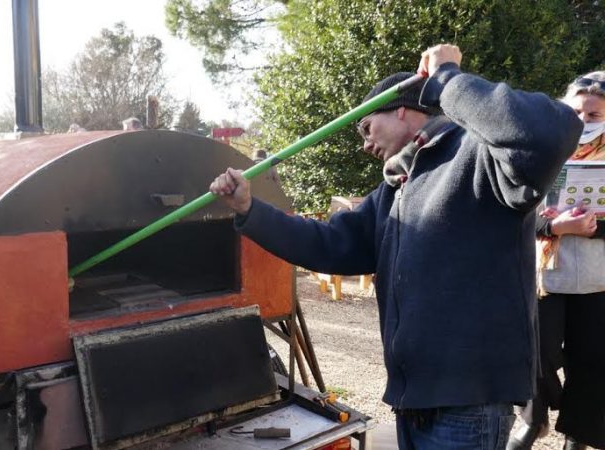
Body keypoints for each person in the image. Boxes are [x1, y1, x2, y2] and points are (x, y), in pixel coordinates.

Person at [210, 44, 582, 449]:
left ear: (402, 109)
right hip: (414, 402)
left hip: (469, 405)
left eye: (367, 127)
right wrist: (250, 209)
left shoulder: (479, 156)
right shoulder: (394, 189)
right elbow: (331, 244)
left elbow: (550, 131)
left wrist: (448, 79)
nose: (365, 144)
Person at [508, 71, 605, 450]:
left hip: (599, 280)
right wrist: (554, 229)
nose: (583, 122)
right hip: (545, 275)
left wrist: (590, 228)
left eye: (594, 115)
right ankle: (534, 419)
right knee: (536, 353)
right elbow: (515, 205)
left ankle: (577, 435)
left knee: (593, 362)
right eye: (576, 112)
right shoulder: (541, 148)